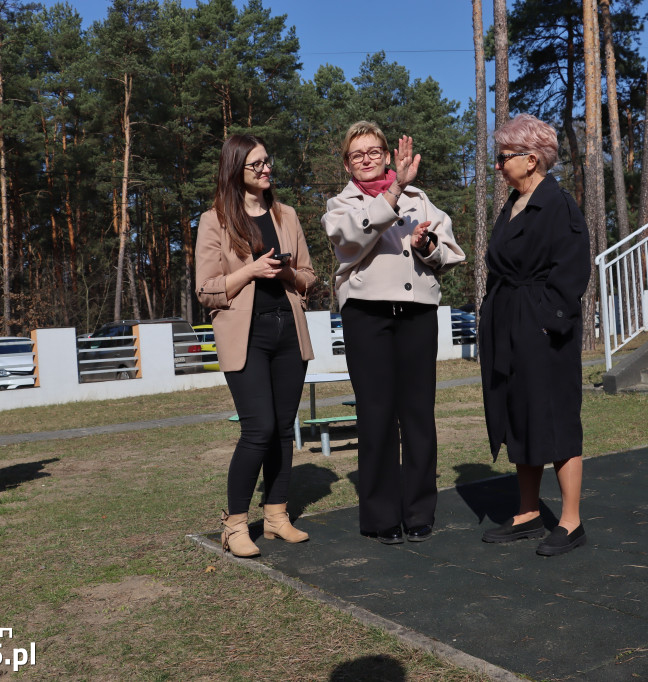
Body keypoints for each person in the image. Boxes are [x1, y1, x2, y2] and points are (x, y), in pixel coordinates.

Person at [322, 121, 465, 544]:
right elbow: (349, 240)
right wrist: (393, 192)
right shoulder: (340, 205)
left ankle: (419, 512)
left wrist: (426, 246)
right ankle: (381, 517)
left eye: (374, 152)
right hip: (367, 316)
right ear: (347, 164)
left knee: (418, 414)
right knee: (377, 414)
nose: (366, 159)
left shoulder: (420, 200)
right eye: (357, 154)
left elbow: (449, 253)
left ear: (387, 155)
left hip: (417, 314)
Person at [195, 133, 316, 558]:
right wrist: (251, 270)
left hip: (289, 332)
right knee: (258, 429)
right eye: (257, 164)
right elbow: (207, 290)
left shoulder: (287, 215)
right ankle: (233, 525)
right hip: (246, 337)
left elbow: (308, 277)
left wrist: (286, 274)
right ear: (236, 170)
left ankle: (277, 516)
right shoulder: (214, 220)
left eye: (268, 161)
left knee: (283, 428)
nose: (267, 169)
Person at [479, 114, 592, 556]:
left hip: (544, 329)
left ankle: (570, 521)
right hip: (508, 323)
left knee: (555, 416)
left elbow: (572, 269)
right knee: (520, 414)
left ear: (531, 159)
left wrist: (548, 322)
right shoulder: (512, 204)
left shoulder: (558, 204)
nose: (498, 165)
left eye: (504, 156)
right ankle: (528, 513)